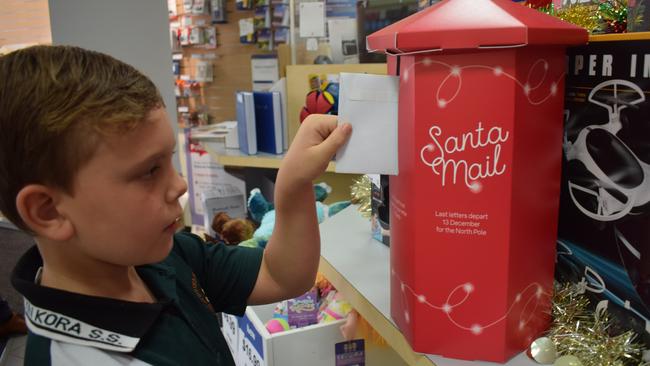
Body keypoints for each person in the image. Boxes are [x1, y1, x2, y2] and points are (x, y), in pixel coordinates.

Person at [0, 45, 351, 365]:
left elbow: (279, 275)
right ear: (49, 210)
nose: (179, 184)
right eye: (150, 171)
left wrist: (293, 183)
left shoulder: (158, 256)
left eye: (168, 159)